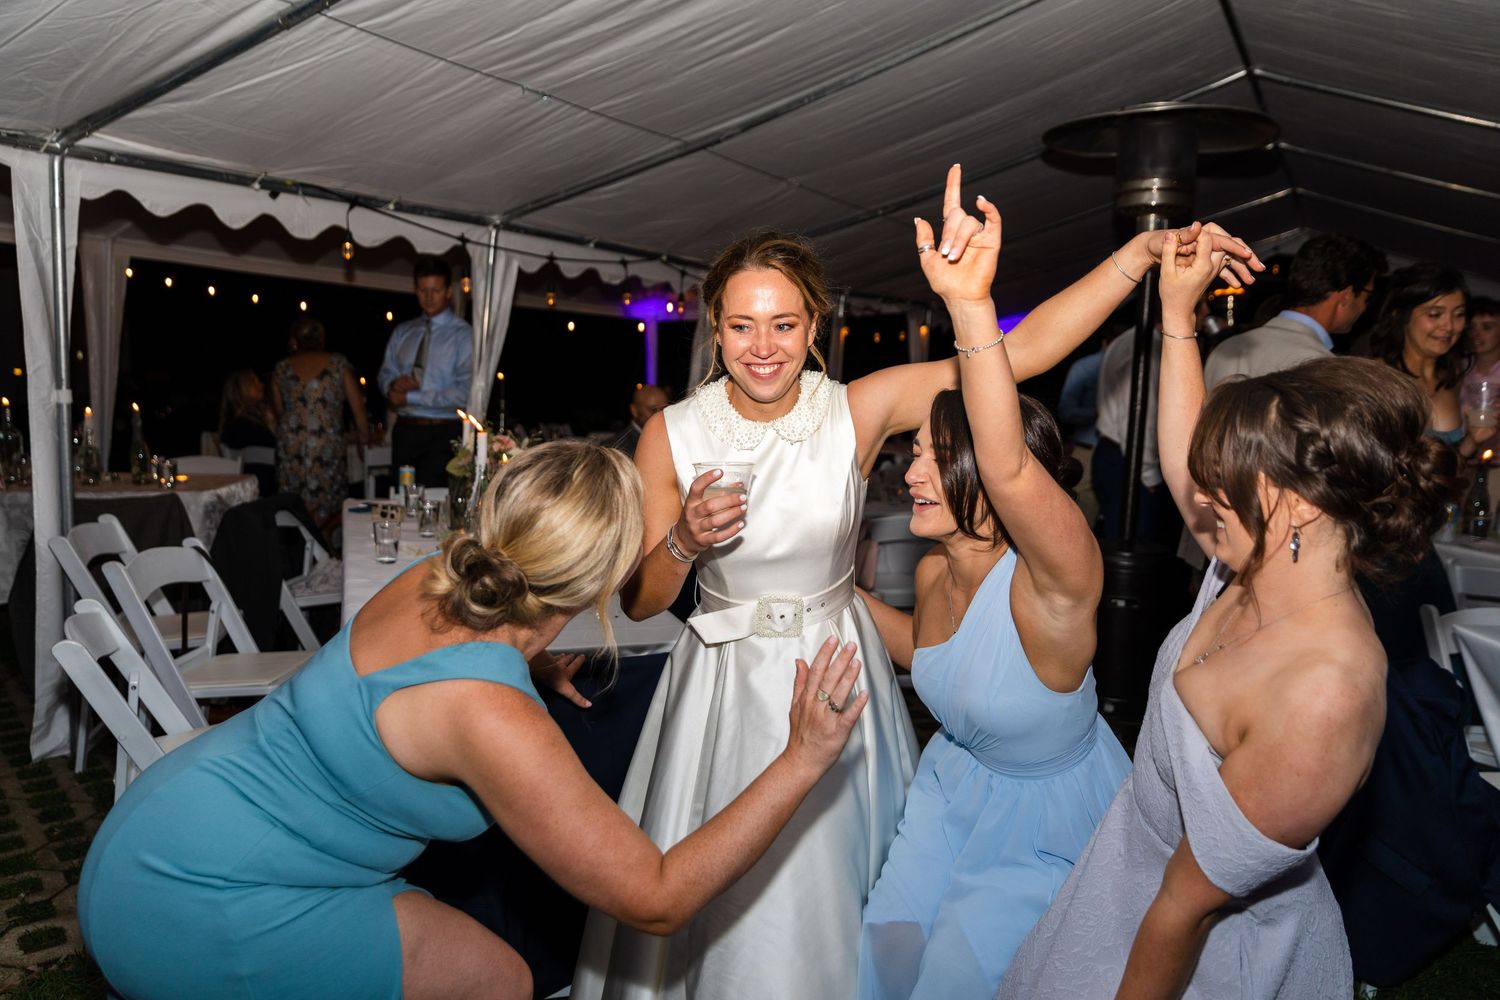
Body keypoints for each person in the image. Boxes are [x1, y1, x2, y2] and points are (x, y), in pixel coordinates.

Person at [571, 164, 1263, 1000]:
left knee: (840, 898)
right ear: (715, 330)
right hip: (721, 688)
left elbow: (1024, 352)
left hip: (834, 670)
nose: (763, 347)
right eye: (743, 326)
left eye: (784, 324)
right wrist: (680, 542)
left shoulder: (853, 410)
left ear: (815, 325)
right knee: (711, 889)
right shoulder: (669, 437)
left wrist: (1141, 253)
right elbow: (642, 600)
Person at [79, 442, 872, 1000]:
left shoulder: (440, 571)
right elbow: (655, 896)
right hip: (195, 900)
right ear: (602, 578)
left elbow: (446, 662)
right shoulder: (491, 717)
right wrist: (802, 757)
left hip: (161, 818)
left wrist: (530, 663)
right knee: (502, 981)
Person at [999, 231, 1463, 999]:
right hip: (1128, 879)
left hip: (1211, 950)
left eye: (1229, 477)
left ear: (1302, 500)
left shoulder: (1327, 692)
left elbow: (1183, 911)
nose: (1203, 494)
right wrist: (1178, 313)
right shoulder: (1248, 559)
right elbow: (1187, 459)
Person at [853, 189, 1133, 998]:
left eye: (937, 457)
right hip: (950, 787)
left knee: (958, 979)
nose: (910, 473)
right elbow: (927, 652)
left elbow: (1008, 464)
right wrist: (824, 589)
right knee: (884, 953)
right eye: (912, 453)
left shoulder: (1058, 580)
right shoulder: (937, 566)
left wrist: (971, 307)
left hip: (1046, 823)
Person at [1204, 232, 1386, 388]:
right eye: (1367, 296)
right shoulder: (1324, 369)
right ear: (1346, 296)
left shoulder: (1225, 350)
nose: (1364, 307)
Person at [1371, 263, 1484, 457]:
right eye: (1435, 314)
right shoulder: (1375, 377)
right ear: (1401, 315)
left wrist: (1473, 439)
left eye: (1458, 314)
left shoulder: (1453, 376)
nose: (1449, 326)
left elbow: (1446, 470)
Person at [380, 255, 474, 486]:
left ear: (449, 292)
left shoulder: (463, 335)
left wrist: (410, 396)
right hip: (405, 430)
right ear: (415, 290)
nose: (429, 297)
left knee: (437, 506)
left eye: (436, 290)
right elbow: (384, 373)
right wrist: (392, 386)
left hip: (443, 433)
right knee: (401, 501)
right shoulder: (403, 331)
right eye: (423, 290)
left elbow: (463, 393)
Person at [270, 317, 371, 529]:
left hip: (292, 448)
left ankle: (299, 554)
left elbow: (280, 412)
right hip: (326, 448)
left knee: (294, 510)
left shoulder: (281, 368)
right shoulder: (338, 364)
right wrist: (364, 439)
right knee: (328, 512)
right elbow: (358, 409)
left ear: (295, 341)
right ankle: (327, 552)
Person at [218, 368, 277, 497]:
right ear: (241, 390)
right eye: (254, 382)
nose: (261, 385)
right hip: (263, 498)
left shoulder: (232, 426)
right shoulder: (248, 429)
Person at [614, 383, 671, 458]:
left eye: (664, 409)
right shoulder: (618, 448)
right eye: (653, 410)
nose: (659, 415)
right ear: (634, 410)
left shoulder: (669, 438)